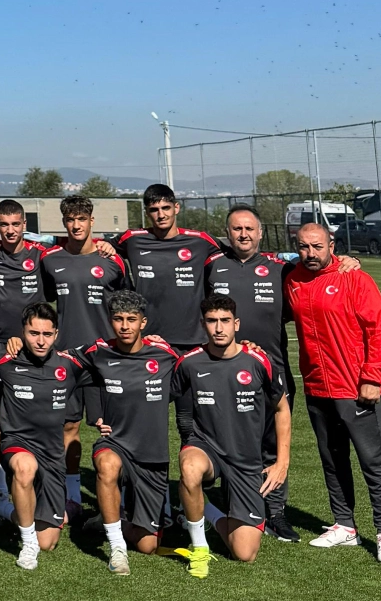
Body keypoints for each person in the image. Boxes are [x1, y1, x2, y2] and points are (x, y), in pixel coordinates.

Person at [206, 206, 362, 541]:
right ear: (227, 233)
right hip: (223, 370)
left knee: (273, 443)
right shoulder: (212, 265)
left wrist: (348, 260)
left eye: (250, 228)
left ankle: (275, 512)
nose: (243, 234)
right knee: (231, 442)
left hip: (272, 369)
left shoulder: (281, 268)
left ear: (260, 233)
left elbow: (319, 271)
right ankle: (237, 507)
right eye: (237, 229)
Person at [286, 222, 381, 563]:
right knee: (333, 460)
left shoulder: (354, 278)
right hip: (316, 386)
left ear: (331, 245)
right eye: (304, 247)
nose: (310, 253)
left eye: (317, 246)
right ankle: (344, 525)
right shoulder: (292, 279)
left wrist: (373, 376)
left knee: (374, 461)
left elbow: (379, 330)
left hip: (354, 387)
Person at [172, 295, 292, 575]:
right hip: (206, 447)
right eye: (212, 321)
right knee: (190, 468)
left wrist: (282, 462)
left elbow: (282, 409)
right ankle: (199, 548)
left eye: (225, 320)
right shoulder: (189, 363)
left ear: (236, 324)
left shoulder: (258, 360)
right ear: (203, 324)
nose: (219, 328)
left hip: (245, 459)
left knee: (245, 553)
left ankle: (203, 509)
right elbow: (152, 397)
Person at [39, 194, 127, 518]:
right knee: (68, 427)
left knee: (113, 428)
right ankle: (71, 497)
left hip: (106, 358)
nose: (76, 225)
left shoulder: (112, 261)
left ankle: (121, 497)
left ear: (92, 221)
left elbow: (128, 306)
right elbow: (45, 304)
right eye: (70, 220)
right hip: (67, 359)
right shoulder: (50, 260)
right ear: (64, 222)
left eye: (81, 219)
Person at [82, 291, 182, 576]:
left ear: (143, 323)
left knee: (148, 545)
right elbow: (68, 366)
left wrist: (245, 345)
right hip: (115, 443)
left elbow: (204, 362)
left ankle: (107, 518)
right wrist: (95, 414)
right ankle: (117, 548)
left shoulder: (165, 355)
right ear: (110, 321)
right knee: (106, 465)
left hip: (152, 454)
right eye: (118, 319)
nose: (124, 326)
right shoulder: (98, 351)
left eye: (131, 319)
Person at [0, 303, 89, 570]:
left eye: (47, 334)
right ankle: (28, 545)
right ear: (22, 332)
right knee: (25, 468)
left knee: (48, 541)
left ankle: (2, 508)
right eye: (33, 333)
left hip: (52, 454)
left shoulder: (69, 365)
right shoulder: (4, 363)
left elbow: (112, 361)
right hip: (17, 445)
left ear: (56, 334)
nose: (41, 341)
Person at [0, 198, 53, 523]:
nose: (10, 230)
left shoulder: (40, 256)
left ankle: (39, 484)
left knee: (35, 417)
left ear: (25, 225)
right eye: (4, 225)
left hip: (33, 347)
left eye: (15, 224)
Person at [114, 184, 220, 353]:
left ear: (176, 208)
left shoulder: (200, 241)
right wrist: (104, 247)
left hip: (192, 339)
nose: (161, 215)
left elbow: (236, 254)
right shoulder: (132, 240)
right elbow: (94, 248)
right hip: (147, 338)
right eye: (154, 210)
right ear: (147, 212)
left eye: (166, 208)